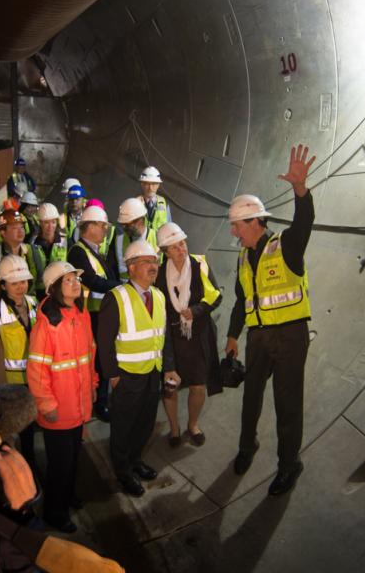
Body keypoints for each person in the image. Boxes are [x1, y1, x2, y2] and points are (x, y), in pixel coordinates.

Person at [226, 144, 316, 496]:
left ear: (256, 222)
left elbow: (304, 221)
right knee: (251, 397)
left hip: (291, 337)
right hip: (258, 338)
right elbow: (241, 300)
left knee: (287, 404)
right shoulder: (243, 259)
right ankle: (247, 448)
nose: (235, 233)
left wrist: (300, 190)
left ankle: (289, 465)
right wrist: (234, 335)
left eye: (237, 227)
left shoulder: (286, 245)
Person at [97, 239, 178, 497]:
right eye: (146, 262)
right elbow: (105, 341)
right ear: (131, 267)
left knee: (145, 423)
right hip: (127, 376)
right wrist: (113, 376)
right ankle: (123, 472)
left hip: (152, 374)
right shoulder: (116, 297)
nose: (154, 266)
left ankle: (135, 461)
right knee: (123, 426)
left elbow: (164, 336)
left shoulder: (159, 296)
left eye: (154, 261)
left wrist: (168, 367)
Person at [27, 261, 97, 533]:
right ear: (54, 288)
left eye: (76, 279)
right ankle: (54, 513)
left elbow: (89, 355)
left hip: (77, 405)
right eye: (68, 281)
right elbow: (37, 371)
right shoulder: (46, 325)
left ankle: (68, 497)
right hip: (58, 409)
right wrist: (46, 405)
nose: (75, 284)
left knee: (74, 458)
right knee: (60, 465)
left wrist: (93, 383)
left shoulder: (80, 315)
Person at [155, 222, 223, 448]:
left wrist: (196, 310)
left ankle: (193, 425)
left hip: (199, 338)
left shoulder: (199, 264)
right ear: (165, 252)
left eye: (182, 243)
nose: (181, 250)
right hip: (171, 340)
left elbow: (216, 296)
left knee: (198, 385)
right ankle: (174, 428)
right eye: (174, 247)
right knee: (170, 386)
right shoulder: (158, 275)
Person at [67, 204, 122, 423]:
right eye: (101, 226)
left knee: (103, 357)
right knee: (98, 359)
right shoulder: (78, 252)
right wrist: (120, 287)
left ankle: (100, 399)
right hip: (90, 316)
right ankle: (98, 402)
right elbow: (92, 281)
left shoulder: (93, 251)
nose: (105, 231)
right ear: (88, 227)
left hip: (100, 315)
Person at [0, 255, 39, 469]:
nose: (20, 287)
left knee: (30, 431)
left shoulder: (33, 304)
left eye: (23, 282)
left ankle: (30, 466)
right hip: (11, 385)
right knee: (11, 432)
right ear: (3, 285)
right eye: (14, 283)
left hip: (33, 380)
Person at [0, 209, 43, 296]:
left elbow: (40, 283)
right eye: (15, 228)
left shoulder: (32, 251)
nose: (20, 231)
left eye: (22, 227)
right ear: (3, 232)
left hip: (28, 301)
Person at [108, 197, 158, 283]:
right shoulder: (118, 241)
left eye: (128, 224)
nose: (125, 228)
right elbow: (111, 269)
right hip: (126, 292)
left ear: (141, 220)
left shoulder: (158, 238)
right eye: (123, 225)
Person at [138, 166, 171, 230]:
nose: (150, 188)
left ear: (158, 185)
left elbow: (169, 226)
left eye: (154, 184)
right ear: (142, 184)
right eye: (147, 184)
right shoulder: (135, 203)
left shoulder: (164, 203)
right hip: (141, 240)